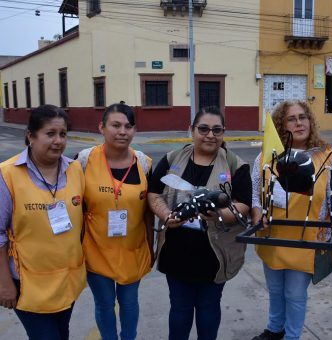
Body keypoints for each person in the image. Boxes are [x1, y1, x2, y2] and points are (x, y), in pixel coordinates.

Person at [251, 100, 332, 340]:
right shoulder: (266, 156)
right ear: (281, 125)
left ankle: (292, 336)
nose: (298, 123)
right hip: (272, 237)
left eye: (302, 117)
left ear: (310, 121)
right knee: (275, 290)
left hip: (306, 240)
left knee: (295, 294)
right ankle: (274, 329)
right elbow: (256, 194)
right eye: (291, 119)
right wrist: (257, 212)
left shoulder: (327, 158)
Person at [148, 106, 251, 340]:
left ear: (224, 132)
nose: (210, 135)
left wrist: (221, 215)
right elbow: (153, 194)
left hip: (215, 255)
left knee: (208, 308)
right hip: (177, 252)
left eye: (217, 130)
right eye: (203, 129)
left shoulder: (236, 164)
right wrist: (166, 215)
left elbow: (244, 203)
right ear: (191, 130)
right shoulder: (172, 159)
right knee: (180, 308)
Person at [0, 105, 86, 339]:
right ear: (30, 136)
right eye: (50, 134)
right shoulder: (8, 174)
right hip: (28, 284)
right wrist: (4, 283)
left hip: (67, 281)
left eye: (63, 134)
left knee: (62, 334)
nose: (58, 141)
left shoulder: (75, 169)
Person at [76, 103, 153, 340]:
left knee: (130, 303)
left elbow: (148, 210)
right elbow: (76, 206)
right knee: (105, 305)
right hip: (96, 249)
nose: (122, 131)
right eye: (116, 125)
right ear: (102, 127)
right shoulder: (84, 160)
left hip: (133, 249)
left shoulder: (143, 163)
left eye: (128, 126)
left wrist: (152, 245)